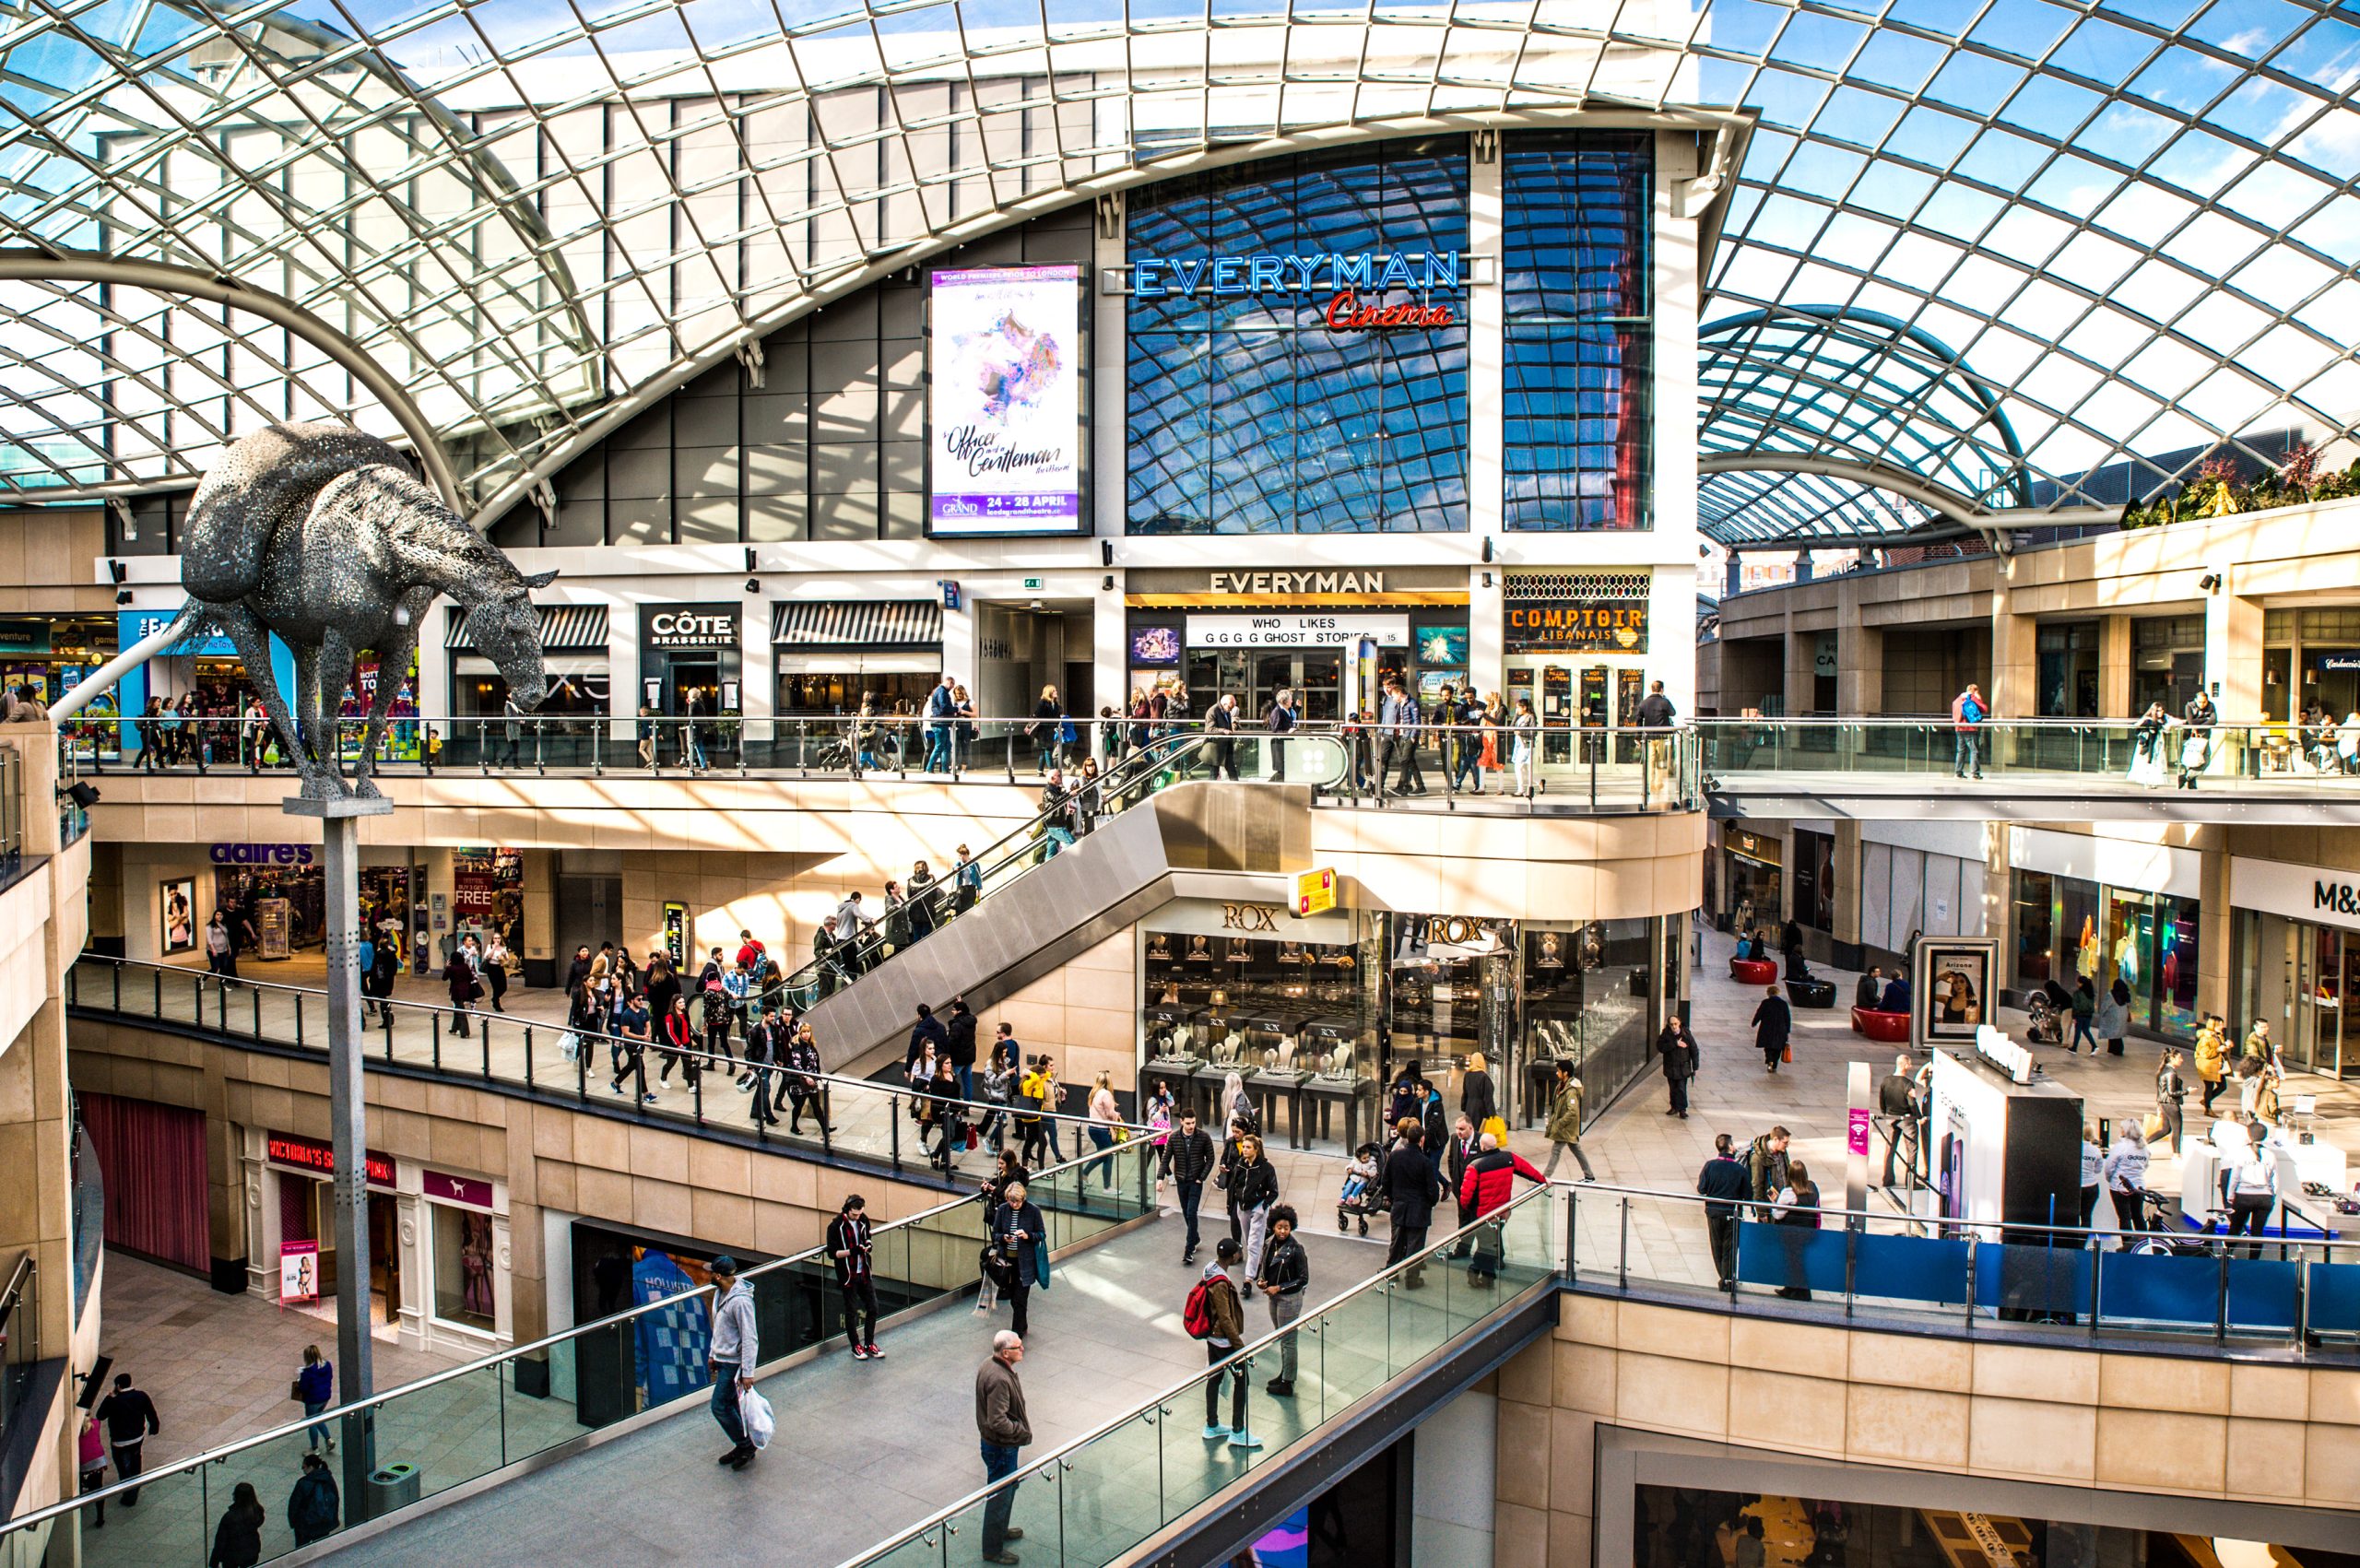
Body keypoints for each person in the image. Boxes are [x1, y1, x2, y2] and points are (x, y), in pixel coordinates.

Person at [975, 1331, 1032, 1566]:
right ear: (1006, 1352)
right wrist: (1020, 1431)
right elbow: (997, 1421)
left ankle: (1000, 1530)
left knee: (1006, 1490)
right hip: (1002, 1447)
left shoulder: (989, 1365)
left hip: (996, 1445)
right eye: (1018, 1347)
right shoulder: (999, 1378)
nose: (1023, 1350)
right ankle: (992, 1549)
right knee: (1000, 1494)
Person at [1459, 1132, 1546, 1285]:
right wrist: (1543, 1180)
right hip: (1502, 1212)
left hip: (1482, 1213)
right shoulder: (1509, 1158)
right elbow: (1528, 1171)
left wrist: (1468, 1208)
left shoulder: (1475, 1166)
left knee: (1486, 1245)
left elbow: (1466, 1195)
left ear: (1482, 1146)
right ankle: (1488, 1276)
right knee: (1491, 1241)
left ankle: (1477, 1272)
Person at [1197, 1238, 1259, 1448]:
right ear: (1233, 1257)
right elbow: (1225, 1317)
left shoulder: (1210, 1269)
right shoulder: (1221, 1283)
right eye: (1238, 1253)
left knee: (1214, 1377)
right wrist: (1240, 1347)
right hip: (1223, 1341)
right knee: (1242, 1380)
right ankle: (1238, 1430)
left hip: (1212, 1338)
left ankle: (1212, 1425)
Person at [706, 1255, 761, 1470]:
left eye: (711, 1272)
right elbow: (719, 1329)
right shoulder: (720, 1293)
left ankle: (746, 1445)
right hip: (722, 1360)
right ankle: (743, 1444)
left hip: (733, 1364)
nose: (709, 1275)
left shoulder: (741, 1302)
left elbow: (750, 1337)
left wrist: (748, 1372)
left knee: (719, 1406)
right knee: (730, 1404)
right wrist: (713, 1354)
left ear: (719, 1276)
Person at [1256, 1206, 1309, 1396]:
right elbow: (1266, 1266)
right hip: (1275, 1297)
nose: (1282, 1231)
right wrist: (1263, 1281)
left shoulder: (1296, 1249)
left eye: (1286, 1227)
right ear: (1273, 1226)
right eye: (1279, 1227)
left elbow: (1303, 1279)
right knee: (1282, 1336)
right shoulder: (1270, 1244)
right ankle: (1286, 1373)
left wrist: (1279, 1288)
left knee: (1288, 1340)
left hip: (1288, 1299)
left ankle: (1288, 1381)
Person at [1381, 1124, 1442, 1287]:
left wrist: (1394, 1198)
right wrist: (1430, 1202)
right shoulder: (1425, 1162)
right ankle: (1411, 1279)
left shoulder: (1395, 1156)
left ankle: (1391, 1272)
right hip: (1419, 1209)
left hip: (1400, 1206)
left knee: (1396, 1242)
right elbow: (1432, 1190)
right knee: (1415, 1246)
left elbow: (1385, 1181)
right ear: (1422, 1140)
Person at [828, 1194, 883, 1361]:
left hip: (864, 1272)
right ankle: (856, 1346)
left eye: (859, 1214)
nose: (857, 1217)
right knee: (851, 1312)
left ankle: (869, 1343)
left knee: (873, 1307)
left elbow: (868, 1237)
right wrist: (852, 1252)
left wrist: (867, 1245)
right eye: (854, 1214)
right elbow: (832, 1254)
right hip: (848, 1275)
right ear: (847, 1210)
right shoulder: (836, 1226)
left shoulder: (863, 1220)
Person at [990, 1179, 1046, 1336]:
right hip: (1007, 1262)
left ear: (1023, 1198)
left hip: (1025, 1262)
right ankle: (1023, 1325)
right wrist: (1004, 1238)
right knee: (1013, 1298)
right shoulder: (1002, 1209)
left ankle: (1016, 1334)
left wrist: (1027, 1236)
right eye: (1011, 1201)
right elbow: (995, 1233)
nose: (1014, 1204)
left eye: (1017, 1201)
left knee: (1019, 1299)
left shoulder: (1033, 1211)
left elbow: (1041, 1234)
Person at [95, 1371, 159, 1503]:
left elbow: (100, 1415)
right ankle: (135, 1487)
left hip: (120, 1441)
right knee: (136, 1460)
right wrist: (154, 1427)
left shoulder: (114, 1401)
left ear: (118, 1386)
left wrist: (109, 1398)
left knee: (123, 1467)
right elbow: (151, 1413)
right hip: (137, 1437)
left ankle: (129, 1495)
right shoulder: (141, 1396)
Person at [1697, 1134, 1750, 1289]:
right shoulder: (1739, 1169)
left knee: (1716, 1245)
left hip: (1713, 1211)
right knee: (1729, 1247)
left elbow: (1701, 1188)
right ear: (1731, 1147)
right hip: (1731, 1213)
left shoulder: (1709, 1166)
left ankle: (1724, 1277)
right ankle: (1727, 1279)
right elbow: (1747, 1195)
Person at [1168, 1107, 1216, 1264]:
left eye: (1193, 1123)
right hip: (1182, 1180)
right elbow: (1166, 1158)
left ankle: (1188, 1250)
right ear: (1181, 1121)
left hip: (1195, 1181)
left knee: (1191, 1212)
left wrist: (1201, 1178)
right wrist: (1160, 1177)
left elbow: (1210, 1158)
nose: (1191, 1126)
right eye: (1188, 1123)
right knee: (1185, 1211)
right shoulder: (1174, 1138)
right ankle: (1195, 1238)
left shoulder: (1203, 1137)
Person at [2222, 1125, 2278, 1257]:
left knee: (2235, 1228)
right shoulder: (2270, 1154)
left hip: (2244, 1196)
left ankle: (2225, 1257)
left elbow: (2235, 1176)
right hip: (2265, 1197)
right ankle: (2254, 1260)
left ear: (2249, 1135)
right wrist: (2272, 1194)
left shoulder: (2242, 1152)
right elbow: (2275, 1178)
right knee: (2258, 1232)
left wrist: (2230, 1194)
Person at [1770, 1161, 1822, 1300]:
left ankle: (1802, 1292)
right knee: (1798, 1260)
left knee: (1793, 1261)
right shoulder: (1812, 1188)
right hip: (1808, 1232)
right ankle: (1791, 1288)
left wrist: (1774, 1202)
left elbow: (1777, 1214)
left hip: (1791, 1233)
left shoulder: (1789, 1192)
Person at [1230, 1131, 1280, 1274]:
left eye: (1248, 1147)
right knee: (1249, 1239)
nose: (1244, 1150)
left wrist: (1263, 1206)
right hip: (1242, 1207)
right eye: (1243, 1147)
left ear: (1256, 1149)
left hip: (1257, 1207)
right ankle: (1257, 1259)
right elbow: (1235, 1185)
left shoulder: (1266, 1168)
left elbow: (1274, 1191)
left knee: (1253, 1243)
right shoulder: (1241, 1165)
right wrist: (1233, 1203)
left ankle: (1250, 1276)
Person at [1541, 1061, 1596, 1180]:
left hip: (1566, 1128)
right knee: (1576, 1150)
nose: (1557, 1073)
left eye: (1559, 1071)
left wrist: (1559, 1123)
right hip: (1566, 1127)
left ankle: (1545, 1177)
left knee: (1556, 1151)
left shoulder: (1570, 1091)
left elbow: (1572, 1111)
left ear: (1565, 1073)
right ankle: (1589, 1175)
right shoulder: (1561, 1086)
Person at [1877, 1055, 1920, 1186]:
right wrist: (1918, 1116)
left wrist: (1885, 1112)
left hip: (1891, 1117)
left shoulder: (1886, 1081)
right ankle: (1911, 1180)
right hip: (1906, 1119)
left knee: (1890, 1148)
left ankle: (1887, 1178)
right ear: (1905, 1065)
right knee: (1912, 1149)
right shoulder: (1907, 1083)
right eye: (1909, 1064)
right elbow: (1912, 1103)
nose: (1911, 1066)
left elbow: (1882, 1099)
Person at [610, 986, 655, 1104]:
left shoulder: (644, 1011)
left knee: (631, 1065)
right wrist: (641, 1038)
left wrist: (647, 1034)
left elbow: (648, 1024)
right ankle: (645, 1094)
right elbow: (626, 1032)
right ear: (631, 1001)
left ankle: (616, 1083)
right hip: (631, 1045)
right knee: (641, 1067)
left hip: (641, 1043)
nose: (641, 1002)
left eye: (641, 999)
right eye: (638, 1000)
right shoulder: (626, 1015)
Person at [2103, 1125, 2151, 1234]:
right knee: (2138, 1216)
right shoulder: (2144, 1147)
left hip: (2120, 1187)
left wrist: (2110, 1179)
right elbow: (2145, 1166)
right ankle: (2144, 1244)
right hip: (2139, 1186)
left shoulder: (2120, 1147)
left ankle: (2127, 1247)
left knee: (2124, 1218)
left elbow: (2109, 1166)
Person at [288, 1452, 340, 1547]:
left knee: (302, 1549)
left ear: (311, 1467)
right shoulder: (328, 1478)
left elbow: (294, 1505)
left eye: (304, 1467)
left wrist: (293, 1522)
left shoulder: (303, 1483)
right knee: (321, 1547)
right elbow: (335, 1498)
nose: (302, 1469)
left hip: (306, 1525)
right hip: (324, 1522)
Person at [208, 1480, 265, 1568]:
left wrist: (214, 1562)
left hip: (231, 1556)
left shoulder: (229, 1517)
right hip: (250, 1552)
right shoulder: (257, 1512)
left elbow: (220, 1541)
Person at [294, 1344, 335, 1453]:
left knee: (311, 1421)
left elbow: (304, 1388)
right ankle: (328, 1439)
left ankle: (315, 1448)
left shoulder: (307, 1373)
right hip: (325, 1397)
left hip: (313, 1400)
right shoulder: (327, 1365)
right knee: (318, 1417)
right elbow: (330, 1377)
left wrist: (300, 1379)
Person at [1086, 1071, 1122, 1191]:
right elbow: (1110, 1114)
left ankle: (1083, 1174)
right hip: (1102, 1130)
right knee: (1108, 1157)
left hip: (1092, 1128)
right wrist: (1117, 1115)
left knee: (1102, 1155)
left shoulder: (1093, 1092)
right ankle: (1107, 1187)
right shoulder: (1106, 1094)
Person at [1657, 1018, 1699, 1118]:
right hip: (1670, 1067)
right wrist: (1675, 1044)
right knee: (1673, 1089)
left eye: (1675, 1024)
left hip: (1682, 1068)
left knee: (1681, 1089)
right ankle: (1674, 1107)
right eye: (1672, 1024)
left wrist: (1695, 1067)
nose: (1674, 1026)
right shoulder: (1666, 1035)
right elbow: (1660, 1047)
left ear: (1679, 1023)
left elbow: (1694, 1050)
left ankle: (1682, 1109)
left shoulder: (1687, 1035)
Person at [1745, 1126, 1791, 1210]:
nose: (1787, 1145)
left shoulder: (1782, 1151)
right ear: (1776, 1139)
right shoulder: (1758, 1158)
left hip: (1784, 1200)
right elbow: (1757, 1186)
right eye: (1785, 1142)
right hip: (1770, 1205)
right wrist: (1761, 1211)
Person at [2154, 1048, 2189, 1154]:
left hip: (2164, 1103)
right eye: (2179, 1058)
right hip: (2171, 1104)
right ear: (2172, 1058)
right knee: (2177, 1129)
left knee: (2165, 1129)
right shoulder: (2171, 1073)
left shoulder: (2165, 1070)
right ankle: (2176, 1153)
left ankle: (2142, 1143)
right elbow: (2172, 1092)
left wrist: (2159, 1105)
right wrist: (2187, 1091)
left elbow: (2161, 1090)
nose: (2182, 1060)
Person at [1753, 982, 1792, 1073]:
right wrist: (1788, 1029)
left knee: (1768, 1046)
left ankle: (1769, 1060)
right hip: (1780, 1029)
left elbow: (1759, 1013)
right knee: (1778, 1047)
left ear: (1768, 993)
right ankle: (1774, 1064)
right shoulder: (1783, 1003)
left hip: (1767, 1027)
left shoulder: (1766, 1002)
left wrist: (1754, 1022)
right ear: (1778, 993)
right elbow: (1787, 1017)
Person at [924, 672, 958, 773]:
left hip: (941, 722)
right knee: (940, 746)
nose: (952, 688)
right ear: (948, 682)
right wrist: (956, 709)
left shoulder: (940, 691)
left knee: (946, 746)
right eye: (952, 685)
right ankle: (930, 768)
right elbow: (944, 706)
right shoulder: (942, 692)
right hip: (940, 722)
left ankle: (944, 769)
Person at [2194, 1016, 2228, 1115]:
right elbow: (2205, 1053)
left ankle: (2206, 1101)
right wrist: (2218, 1050)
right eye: (2220, 1024)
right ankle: (2208, 1108)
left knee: (2222, 1086)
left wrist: (2226, 1046)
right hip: (2208, 1066)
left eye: (2222, 1024)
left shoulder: (2218, 1035)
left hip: (2217, 1066)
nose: (2222, 1026)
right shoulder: (2206, 1038)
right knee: (2209, 1087)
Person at [946, 996, 979, 1102]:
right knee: (967, 1082)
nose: (952, 1011)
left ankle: (950, 1104)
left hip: (957, 1059)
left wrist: (947, 1056)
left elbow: (952, 1043)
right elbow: (967, 1012)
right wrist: (961, 1003)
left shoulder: (957, 1025)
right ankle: (966, 1105)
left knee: (949, 1080)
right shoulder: (971, 1021)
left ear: (959, 1011)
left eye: (954, 1010)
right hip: (969, 1057)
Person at [1952, 681, 1986, 780]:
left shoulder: (1957, 700)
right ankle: (1975, 773)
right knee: (1974, 750)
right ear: (1975, 691)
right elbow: (1984, 708)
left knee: (1960, 751)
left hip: (1959, 727)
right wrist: (1979, 698)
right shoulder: (1972, 698)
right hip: (1970, 728)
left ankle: (1958, 773)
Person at [443, 939, 478, 1038]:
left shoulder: (451, 968)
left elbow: (444, 978)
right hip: (466, 990)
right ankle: (454, 1028)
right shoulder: (465, 966)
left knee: (460, 1011)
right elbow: (471, 978)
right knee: (457, 1009)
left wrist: (447, 967)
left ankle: (465, 1032)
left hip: (456, 991)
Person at [1264, 687, 1296, 782]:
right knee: (1282, 770)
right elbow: (1275, 730)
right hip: (1279, 745)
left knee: (1284, 770)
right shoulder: (1277, 712)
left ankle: (1270, 786)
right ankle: (1270, 787)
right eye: (1290, 699)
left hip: (1286, 744)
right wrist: (1288, 732)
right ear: (1283, 701)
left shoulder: (1287, 710)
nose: (1292, 701)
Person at [1460, 1049, 1497, 1130]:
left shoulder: (1467, 1075)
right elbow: (1488, 1098)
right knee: (1479, 1132)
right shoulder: (1483, 1077)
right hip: (1480, 1110)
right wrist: (1493, 1115)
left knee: (1470, 1130)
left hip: (1469, 1108)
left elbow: (1465, 1092)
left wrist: (1464, 1106)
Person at [2077, 1122, 2106, 1229]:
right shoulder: (2096, 1151)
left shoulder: (2073, 1148)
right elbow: (2098, 1170)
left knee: (2072, 1216)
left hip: (2076, 1186)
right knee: (2086, 1217)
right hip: (2091, 1187)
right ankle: (2082, 1242)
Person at [1207, 690, 1240, 781]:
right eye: (1230, 707)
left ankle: (1237, 789)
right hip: (1216, 747)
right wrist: (1224, 731)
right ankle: (1210, 791)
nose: (1231, 709)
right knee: (1214, 772)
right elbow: (1210, 729)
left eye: (1232, 708)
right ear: (1224, 703)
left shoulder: (1227, 711)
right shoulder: (1213, 711)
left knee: (1232, 770)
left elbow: (1229, 726)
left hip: (1226, 746)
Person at [205, 908, 239, 983]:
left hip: (223, 950)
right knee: (215, 968)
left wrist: (228, 947)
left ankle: (222, 985)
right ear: (214, 916)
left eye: (221, 915)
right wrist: (213, 949)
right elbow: (209, 938)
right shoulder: (210, 926)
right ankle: (203, 980)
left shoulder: (223, 925)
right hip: (213, 950)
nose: (219, 916)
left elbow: (226, 937)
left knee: (223, 968)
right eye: (218, 914)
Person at [481, 930, 511, 1013]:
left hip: (499, 967)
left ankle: (494, 998)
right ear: (493, 939)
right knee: (495, 986)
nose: (497, 940)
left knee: (503, 987)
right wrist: (494, 948)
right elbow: (487, 956)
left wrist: (504, 954)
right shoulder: (490, 946)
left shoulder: (503, 947)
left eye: (498, 938)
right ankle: (496, 1004)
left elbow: (507, 959)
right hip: (492, 968)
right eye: (495, 938)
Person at [2070, 975, 2097, 1053]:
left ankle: (2074, 1048)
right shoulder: (2091, 993)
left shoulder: (2078, 993)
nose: (2077, 984)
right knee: (2086, 1030)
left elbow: (2075, 1005)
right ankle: (2094, 1046)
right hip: (2088, 1015)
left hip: (2079, 1014)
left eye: (2078, 982)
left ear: (2081, 983)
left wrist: (2074, 1016)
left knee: (2078, 1031)